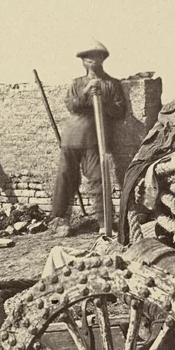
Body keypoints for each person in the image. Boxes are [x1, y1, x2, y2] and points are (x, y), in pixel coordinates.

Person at [49, 41, 126, 235]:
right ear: (82, 61)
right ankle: (59, 222)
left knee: (98, 180)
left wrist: (103, 99)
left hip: (94, 140)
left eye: (95, 56)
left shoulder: (111, 84)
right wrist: (86, 93)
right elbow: (72, 106)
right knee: (65, 179)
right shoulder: (76, 84)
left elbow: (119, 111)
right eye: (86, 57)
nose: (91, 60)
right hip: (71, 139)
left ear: (103, 59)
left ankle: (104, 222)